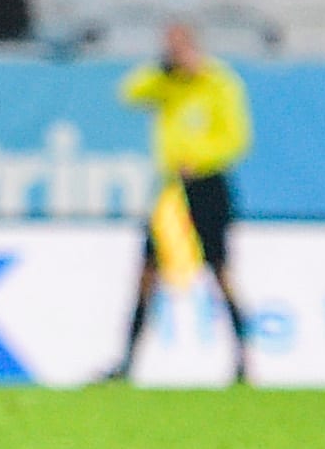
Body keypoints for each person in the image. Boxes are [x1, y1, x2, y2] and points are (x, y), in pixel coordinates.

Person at [107, 22, 254, 385]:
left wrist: (199, 159)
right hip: (172, 190)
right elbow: (128, 93)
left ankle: (244, 362)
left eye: (180, 45)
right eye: (169, 46)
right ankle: (126, 363)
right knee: (148, 271)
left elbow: (236, 138)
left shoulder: (219, 83)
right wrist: (161, 71)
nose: (175, 52)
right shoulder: (166, 83)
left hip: (208, 185)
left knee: (220, 271)